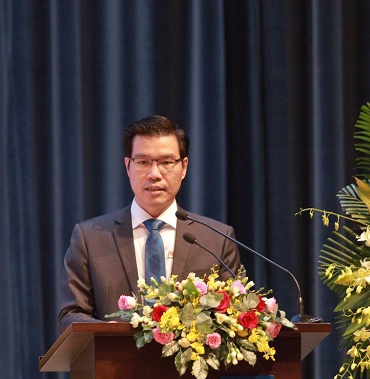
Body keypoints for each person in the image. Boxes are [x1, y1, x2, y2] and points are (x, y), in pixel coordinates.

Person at [57, 115, 240, 334]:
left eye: (166, 163)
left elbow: (233, 317)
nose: (154, 174)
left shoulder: (217, 239)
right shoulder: (91, 238)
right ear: (128, 166)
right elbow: (69, 315)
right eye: (143, 162)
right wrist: (109, 334)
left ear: (184, 167)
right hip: (115, 365)